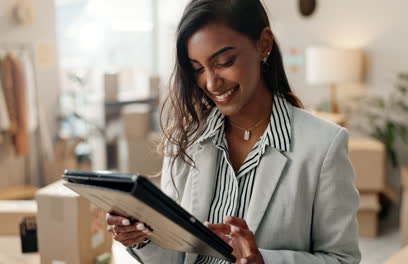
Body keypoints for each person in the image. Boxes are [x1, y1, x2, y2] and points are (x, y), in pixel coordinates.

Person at [106, 0, 361, 263]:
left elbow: (342, 259)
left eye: (224, 61)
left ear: (264, 44)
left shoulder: (324, 145)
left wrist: (263, 261)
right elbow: (174, 258)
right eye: (197, 69)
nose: (211, 82)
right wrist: (142, 238)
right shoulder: (184, 140)